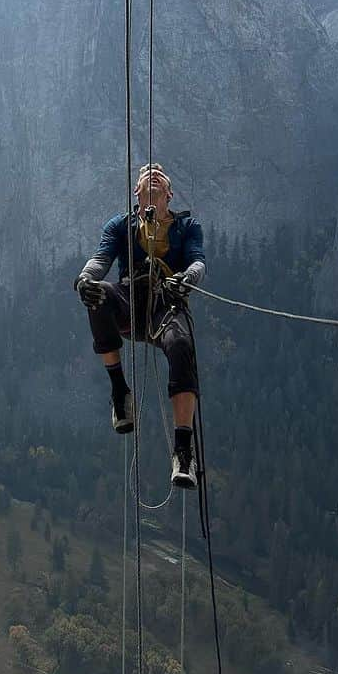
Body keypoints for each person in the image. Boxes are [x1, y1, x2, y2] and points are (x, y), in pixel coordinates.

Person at [74, 163, 205, 490]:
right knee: (98, 295)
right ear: (136, 192)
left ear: (170, 194)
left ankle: (183, 449)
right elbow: (101, 259)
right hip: (129, 300)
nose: (154, 173)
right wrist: (85, 279)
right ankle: (120, 392)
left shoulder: (187, 226)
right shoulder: (121, 225)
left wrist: (185, 279)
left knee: (181, 345)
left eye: (160, 176)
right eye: (147, 174)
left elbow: (197, 261)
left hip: (166, 301)